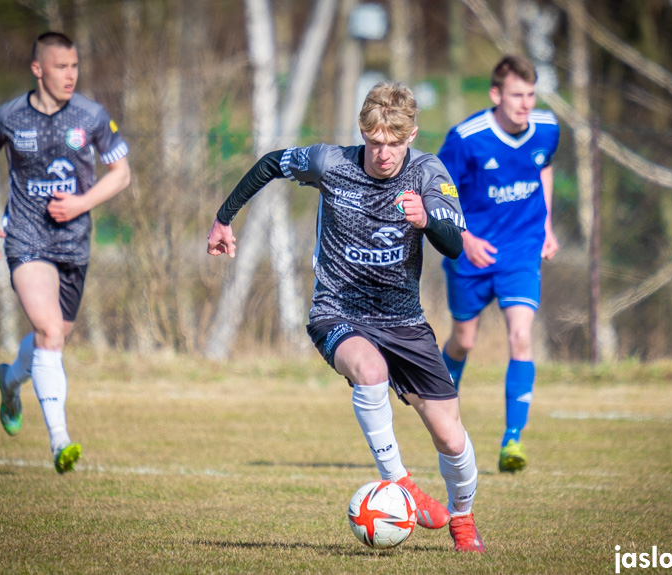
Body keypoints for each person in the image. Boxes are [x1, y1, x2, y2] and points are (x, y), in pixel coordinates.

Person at [207, 81, 485, 553]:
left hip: (405, 321)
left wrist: (426, 221)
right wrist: (223, 218)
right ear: (363, 133)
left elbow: (455, 246)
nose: (382, 154)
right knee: (369, 370)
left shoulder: (429, 174)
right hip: (337, 310)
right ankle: (401, 483)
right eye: (374, 143)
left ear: (411, 134)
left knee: (451, 439)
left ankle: (463, 520)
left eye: (393, 144)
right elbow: (273, 162)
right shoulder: (331, 163)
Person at [0, 32, 131, 474]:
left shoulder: (91, 115)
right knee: (49, 331)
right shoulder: (9, 117)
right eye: (60, 67)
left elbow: (121, 173)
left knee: (51, 339)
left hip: (74, 244)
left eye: (74, 66)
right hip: (25, 239)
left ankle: (9, 379)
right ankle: (60, 441)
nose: (70, 75)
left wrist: (81, 202)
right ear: (38, 69)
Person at [437, 55, 559, 474]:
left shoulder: (547, 128)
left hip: (521, 250)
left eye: (530, 94)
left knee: (521, 338)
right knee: (464, 341)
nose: (525, 104)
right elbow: (439, 192)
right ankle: (438, 408)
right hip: (472, 254)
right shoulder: (466, 138)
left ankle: (512, 440)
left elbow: (544, 168)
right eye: (516, 95)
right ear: (496, 95)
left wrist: (547, 225)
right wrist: (464, 238)